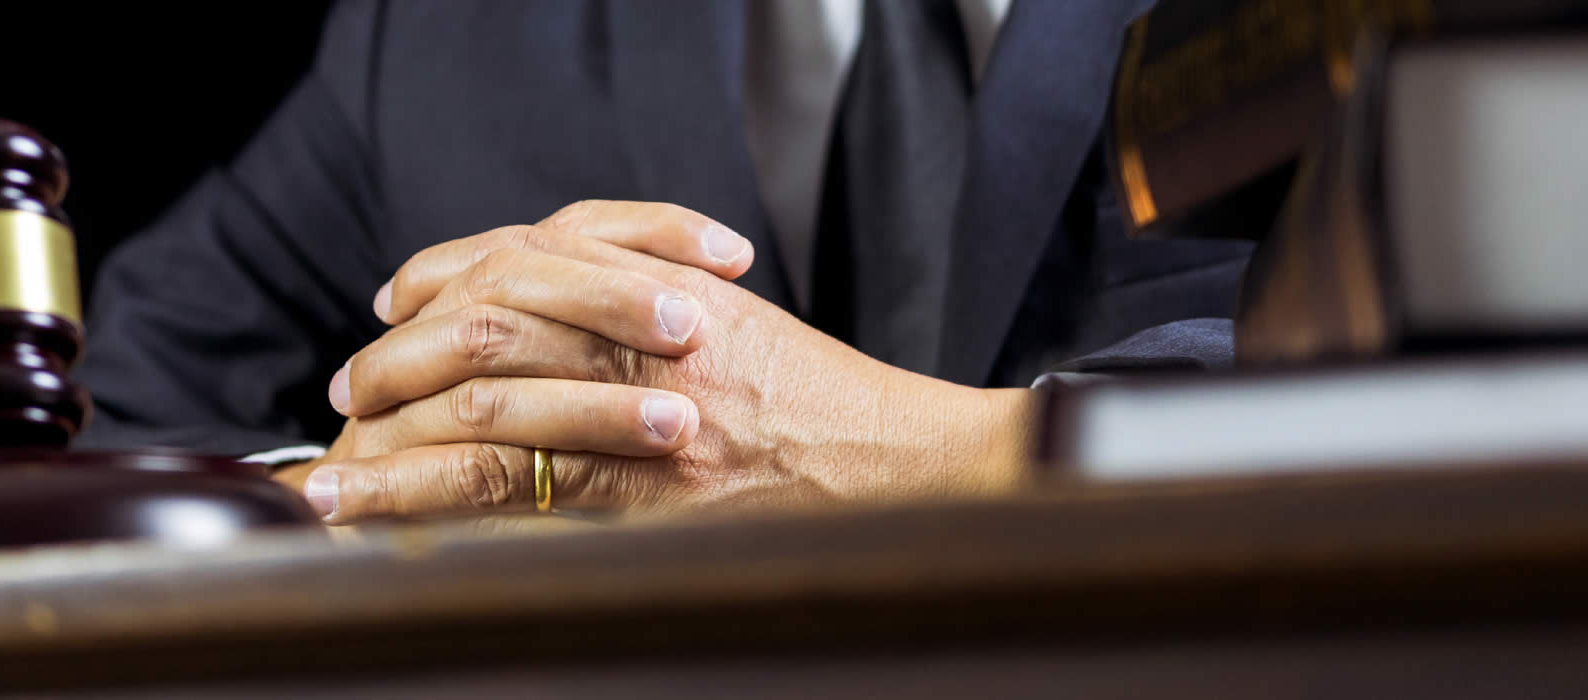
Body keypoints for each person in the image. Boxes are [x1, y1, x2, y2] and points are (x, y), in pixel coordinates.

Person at [76, 0, 1254, 523]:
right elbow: (112, 401)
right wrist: (357, 492)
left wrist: (926, 455)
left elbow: (1362, 403)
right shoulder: (434, 35)